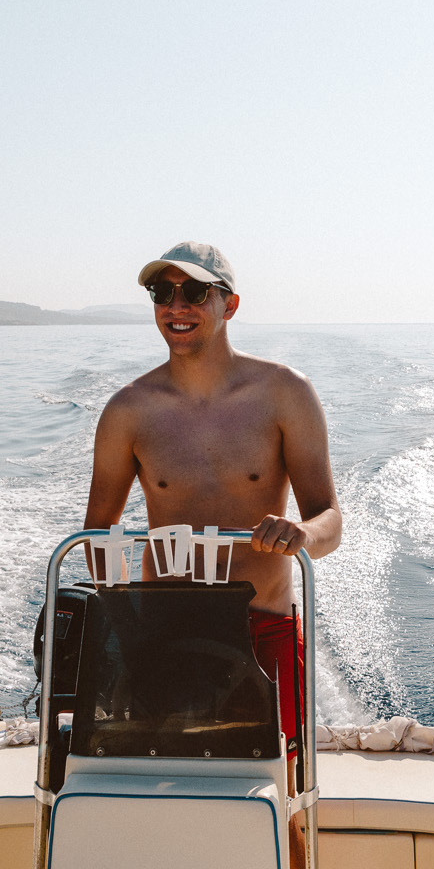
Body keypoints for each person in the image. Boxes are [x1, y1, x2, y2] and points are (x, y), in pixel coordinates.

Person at [81, 241, 342, 742]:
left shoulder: (286, 393)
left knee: (280, 784)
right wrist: (124, 628)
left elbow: (329, 519)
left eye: (196, 292)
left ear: (230, 305)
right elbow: (97, 532)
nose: (177, 308)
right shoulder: (127, 411)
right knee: (169, 786)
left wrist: (301, 533)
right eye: (163, 292)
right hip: (164, 629)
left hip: (264, 626)